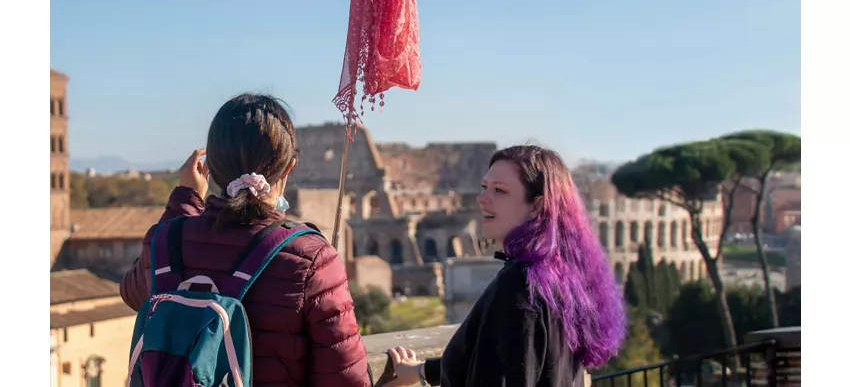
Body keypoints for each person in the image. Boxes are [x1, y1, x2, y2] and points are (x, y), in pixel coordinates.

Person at [120, 93, 371, 387]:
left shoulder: (165, 240)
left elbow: (135, 294)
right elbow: (347, 380)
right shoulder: (312, 258)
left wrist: (185, 199)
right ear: (289, 168)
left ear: (209, 166)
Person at [384, 145, 627, 387]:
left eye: (499, 190)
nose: (482, 198)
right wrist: (421, 371)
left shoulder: (520, 287)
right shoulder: (559, 274)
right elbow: (499, 354)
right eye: (484, 187)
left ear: (536, 206)